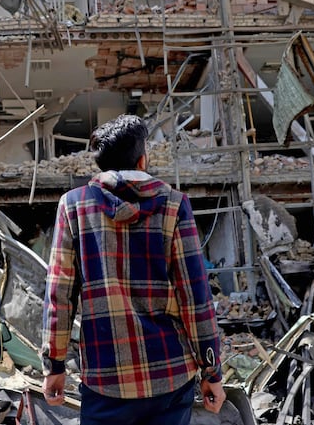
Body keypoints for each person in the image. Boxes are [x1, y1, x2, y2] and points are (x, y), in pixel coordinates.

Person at [41, 115, 226, 425]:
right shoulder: (174, 205)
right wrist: (211, 371)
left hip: (105, 376)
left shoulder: (73, 206)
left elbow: (59, 296)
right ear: (142, 160)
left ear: (101, 164)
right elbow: (195, 296)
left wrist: (54, 366)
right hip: (170, 374)